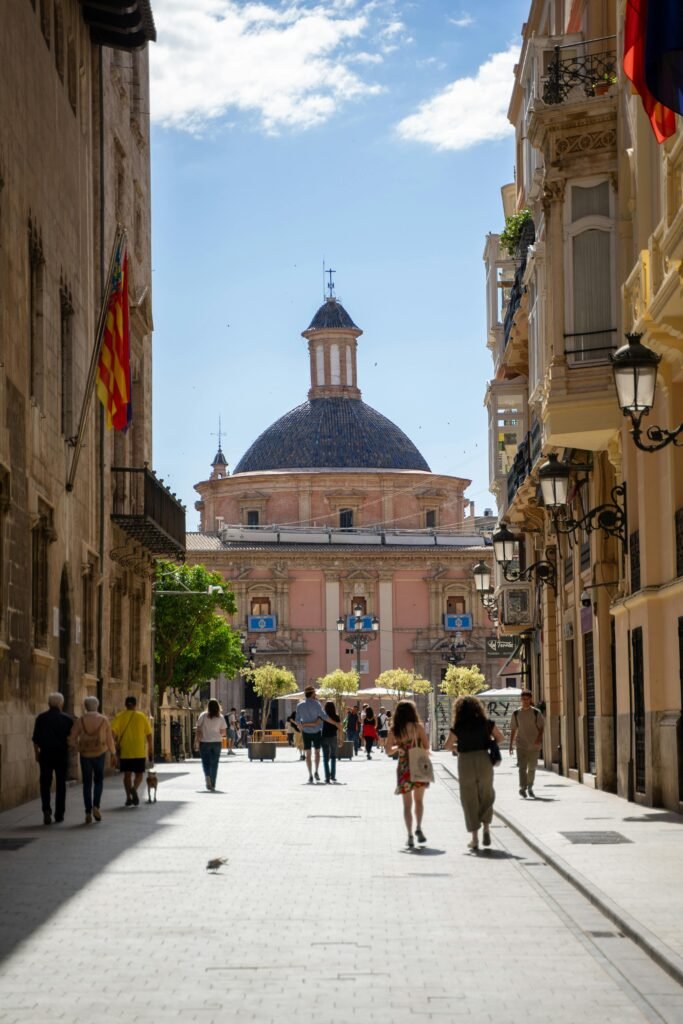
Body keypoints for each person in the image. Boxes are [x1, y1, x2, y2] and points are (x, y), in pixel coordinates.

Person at [445, 695, 504, 851]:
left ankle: (475, 838)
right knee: (486, 794)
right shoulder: (486, 724)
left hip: (465, 761)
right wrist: (488, 742)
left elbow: (447, 745)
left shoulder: (458, 725)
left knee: (469, 797)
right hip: (484, 759)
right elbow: (500, 737)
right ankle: (486, 828)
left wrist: (457, 749)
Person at [385, 700, 430, 848]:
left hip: (404, 767)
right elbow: (427, 746)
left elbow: (388, 751)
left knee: (406, 804)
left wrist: (399, 747)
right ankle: (418, 827)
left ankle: (410, 834)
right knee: (419, 801)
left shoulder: (395, 730)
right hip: (418, 764)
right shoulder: (418, 727)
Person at [69, 696, 117, 824]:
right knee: (98, 781)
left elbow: (72, 739)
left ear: (85, 706)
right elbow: (109, 739)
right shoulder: (104, 720)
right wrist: (113, 753)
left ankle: (87, 812)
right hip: (100, 753)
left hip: (85, 755)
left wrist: (79, 748)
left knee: (87, 783)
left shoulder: (80, 720)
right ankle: (96, 806)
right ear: (97, 705)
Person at [32, 693, 73, 825]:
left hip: (46, 754)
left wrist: (36, 754)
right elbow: (71, 739)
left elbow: (35, 739)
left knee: (45, 783)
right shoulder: (67, 719)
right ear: (61, 703)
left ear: (49, 703)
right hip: (61, 754)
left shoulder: (41, 718)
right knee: (61, 784)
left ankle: (46, 809)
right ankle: (59, 814)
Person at [111, 695, 153, 807]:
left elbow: (112, 732)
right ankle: (134, 789)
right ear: (135, 705)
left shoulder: (119, 716)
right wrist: (150, 748)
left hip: (125, 751)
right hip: (139, 751)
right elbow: (149, 734)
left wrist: (113, 747)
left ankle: (128, 797)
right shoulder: (142, 716)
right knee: (139, 775)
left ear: (125, 704)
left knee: (127, 775)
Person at [295, 685, 338, 784]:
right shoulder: (317, 704)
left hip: (306, 732)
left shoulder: (299, 705)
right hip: (317, 732)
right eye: (315, 692)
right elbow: (324, 717)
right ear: (312, 693)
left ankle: (310, 775)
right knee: (317, 753)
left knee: (308, 754)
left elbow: (297, 720)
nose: (316, 694)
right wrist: (335, 723)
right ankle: (316, 771)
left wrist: (301, 725)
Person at [509, 690, 545, 798]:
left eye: (527, 699)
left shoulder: (536, 712)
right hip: (521, 745)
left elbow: (541, 728)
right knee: (522, 767)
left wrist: (538, 739)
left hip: (534, 745)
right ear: (521, 700)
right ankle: (523, 787)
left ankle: (530, 786)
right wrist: (511, 745)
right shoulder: (516, 713)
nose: (525, 701)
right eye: (523, 699)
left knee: (532, 768)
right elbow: (513, 730)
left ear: (530, 700)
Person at [194, 698, 226, 791]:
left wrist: (197, 740)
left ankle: (207, 776)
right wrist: (218, 733)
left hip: (204, 742)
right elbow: (223, 732)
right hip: (217, 742)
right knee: (214, 764)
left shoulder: (203, 715)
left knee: (206, 762)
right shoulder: (220, 717)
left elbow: (198, 728)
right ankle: (213, 784)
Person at [321, 701, 342, 783]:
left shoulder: (323, 716)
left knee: (325, 758)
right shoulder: (336, 717)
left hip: (324, 737)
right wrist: (340, 739)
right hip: (333, 737)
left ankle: (327, 777)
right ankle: (333, 776)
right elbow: (340, 728)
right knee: (333, 757)